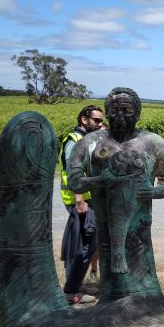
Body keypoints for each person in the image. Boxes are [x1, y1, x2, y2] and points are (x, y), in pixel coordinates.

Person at [67, 87, 164, 300]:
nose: (121, 116)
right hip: (106, 223)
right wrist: (100, 181)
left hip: (140, 227)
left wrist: (153, 191)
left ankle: (146, 297)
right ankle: (112, 299)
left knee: (141, 266)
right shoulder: (90, 143)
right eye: (115, 111)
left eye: (127, 110)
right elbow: (74, 182)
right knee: (111, 264)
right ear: (107, 113)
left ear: (138, 113)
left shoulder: (154, 143)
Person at [58, 104, 104, 304]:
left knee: (86, 243)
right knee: (83, 246)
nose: (100, 123)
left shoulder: (86, 139)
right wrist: (79, 199)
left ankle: (76, 285)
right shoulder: (74, 141)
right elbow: (72, 171)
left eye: (101, 120)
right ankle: (72, 291)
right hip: (81, 201)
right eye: (97, 120)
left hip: (86, 199)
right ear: (84, 120)